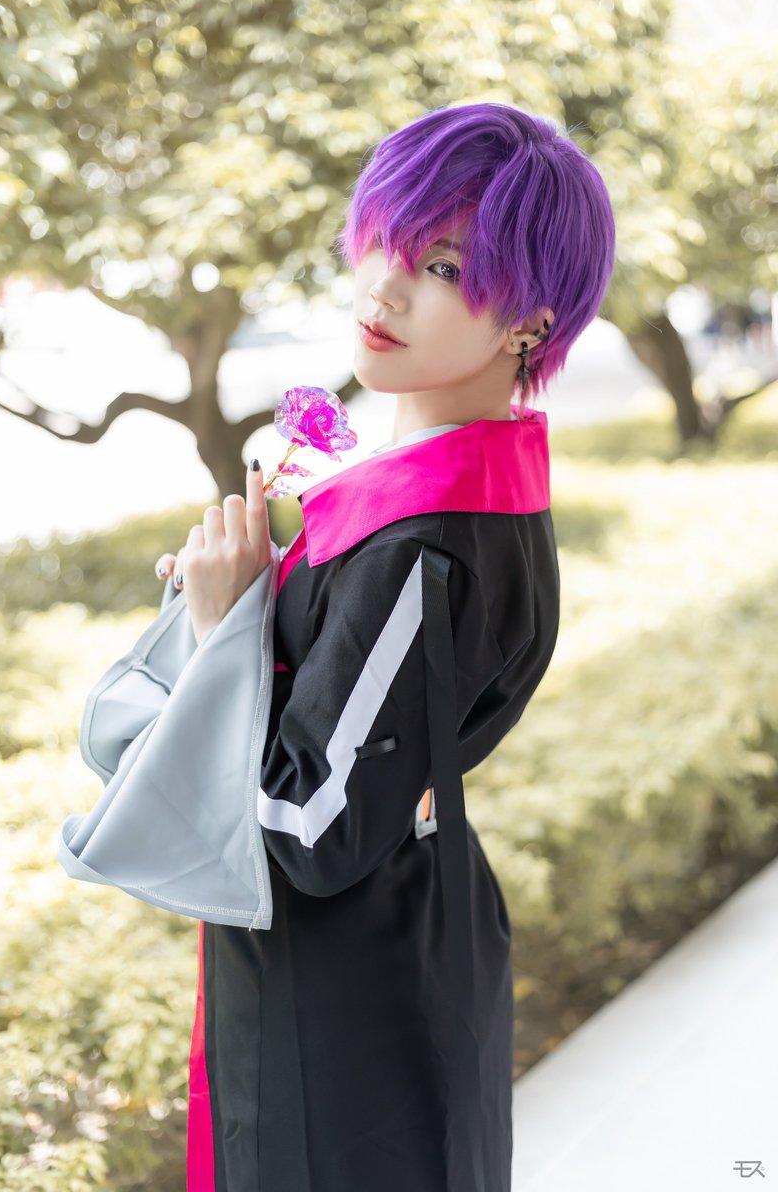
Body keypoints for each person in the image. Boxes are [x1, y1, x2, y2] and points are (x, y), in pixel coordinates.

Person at [62, 101, 615, 1192]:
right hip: (388, 947)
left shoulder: (425, 546)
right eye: (382, 242)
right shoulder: (467, 489)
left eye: (442, 265)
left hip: (340, 1009)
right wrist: (260, 603)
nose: (383, 288)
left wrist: (223, 636)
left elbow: (309, 827)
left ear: (529, 323)